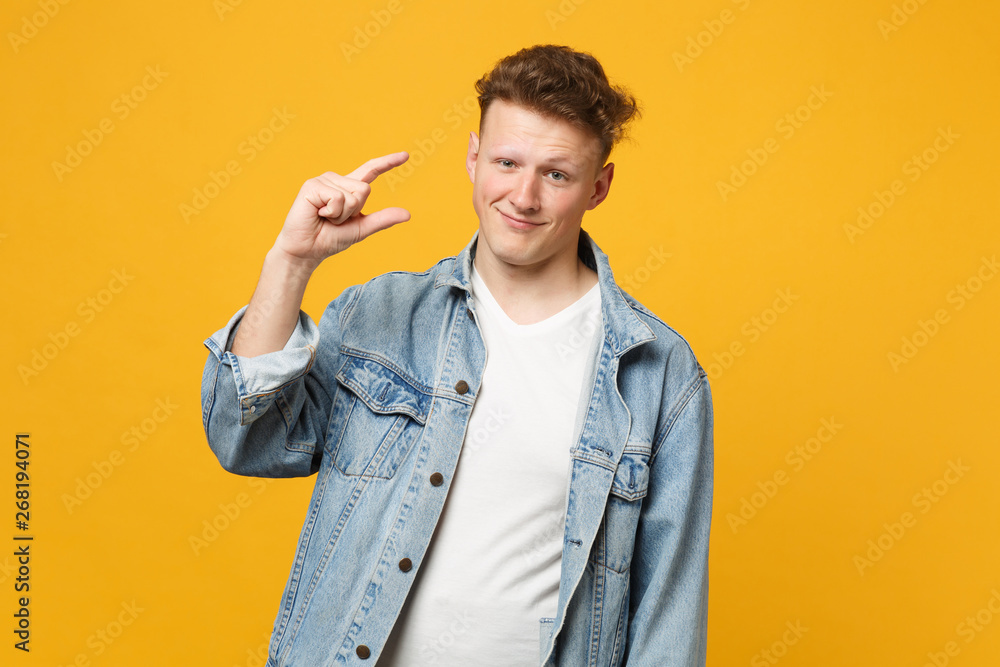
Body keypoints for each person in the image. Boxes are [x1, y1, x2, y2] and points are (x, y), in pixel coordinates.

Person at [201, 44, 713, 667]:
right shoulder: (381, 314)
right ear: (474, 157)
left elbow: (669, 612)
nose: (522, 196)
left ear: (598, 186)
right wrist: (290, 264)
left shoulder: (657, 370)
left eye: (556, 174)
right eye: (506, 161)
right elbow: (245, 440)